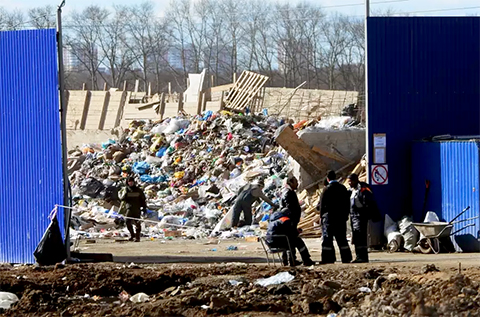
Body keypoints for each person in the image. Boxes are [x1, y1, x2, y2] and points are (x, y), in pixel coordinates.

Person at [318, 171, 352, 264]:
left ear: (328, 179)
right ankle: (346, 258)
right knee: (342, 239)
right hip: (340, 218)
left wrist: (321, 217)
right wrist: (345, 216)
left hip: (329, 219)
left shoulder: (326, 190)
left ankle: (328, 259)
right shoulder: (342, 188)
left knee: (327, 240)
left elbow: (321, 206)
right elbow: (347, 204)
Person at [347, 173, 380, 263]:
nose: (349, 183)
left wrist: (369, 213)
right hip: (353, 216)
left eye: (350, 181)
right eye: (348, 182)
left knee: (361, 237)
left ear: (355, 180)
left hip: (361, 216)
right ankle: (359, 256)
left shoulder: (363, 188)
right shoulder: (351, 190)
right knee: (356, 237)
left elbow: (369, 201)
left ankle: (362, 257)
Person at [119, 176, 147, 242]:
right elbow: (122, 199)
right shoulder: (125, 190)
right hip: (129, 208)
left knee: (137, 223)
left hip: (137, 208)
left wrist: (144, 208)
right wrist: (125, 194)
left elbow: (143, 199)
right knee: (127, 222)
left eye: (132, 182)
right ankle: (132, 235)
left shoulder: (138, 190)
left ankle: (137, 237)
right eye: (129, 182)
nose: (131, 183)